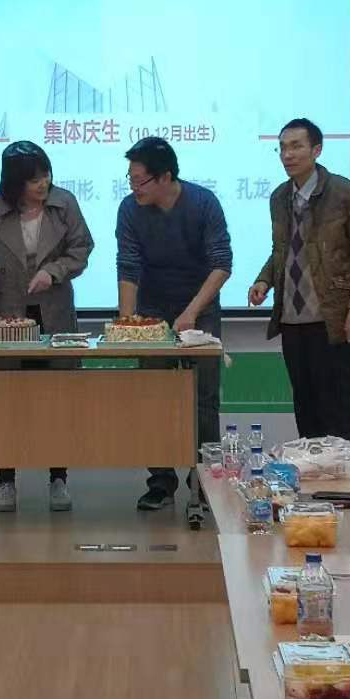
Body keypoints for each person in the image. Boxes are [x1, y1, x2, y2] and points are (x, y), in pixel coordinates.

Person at [0, 141, 94, 514]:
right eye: (34, 179)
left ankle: (58, 477)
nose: (43, 184)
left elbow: (81, 249)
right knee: (8, 401)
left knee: (57, 400)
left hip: (54, 314)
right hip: (7, 317)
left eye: (46, 175)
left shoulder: (64, 204)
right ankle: (6, 480)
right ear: (14, 183)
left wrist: (53, 271)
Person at [248, 118, 350, 445]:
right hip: (291, 321)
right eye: (282, 148)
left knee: (337, 411)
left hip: (332, 318)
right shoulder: (280, 197)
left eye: (296, 146)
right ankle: (313, 474)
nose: (288, 155)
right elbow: (282, 250)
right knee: (306, 410)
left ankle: (346, 477)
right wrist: (264, 280)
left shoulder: (344, 193)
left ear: (316, 150)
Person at [115, 136, 231, 511]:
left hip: (201, 307)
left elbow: (221, 264)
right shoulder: (129, 209)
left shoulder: (203, 203)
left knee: (204, 399)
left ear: (165, 177)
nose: (134, 187)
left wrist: (192, 312)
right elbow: (128, 266)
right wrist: (128, 322)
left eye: (140, 180)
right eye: (130, 179)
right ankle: (161, 481)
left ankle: (205, 482)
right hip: (152, 309)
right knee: (155, 396)